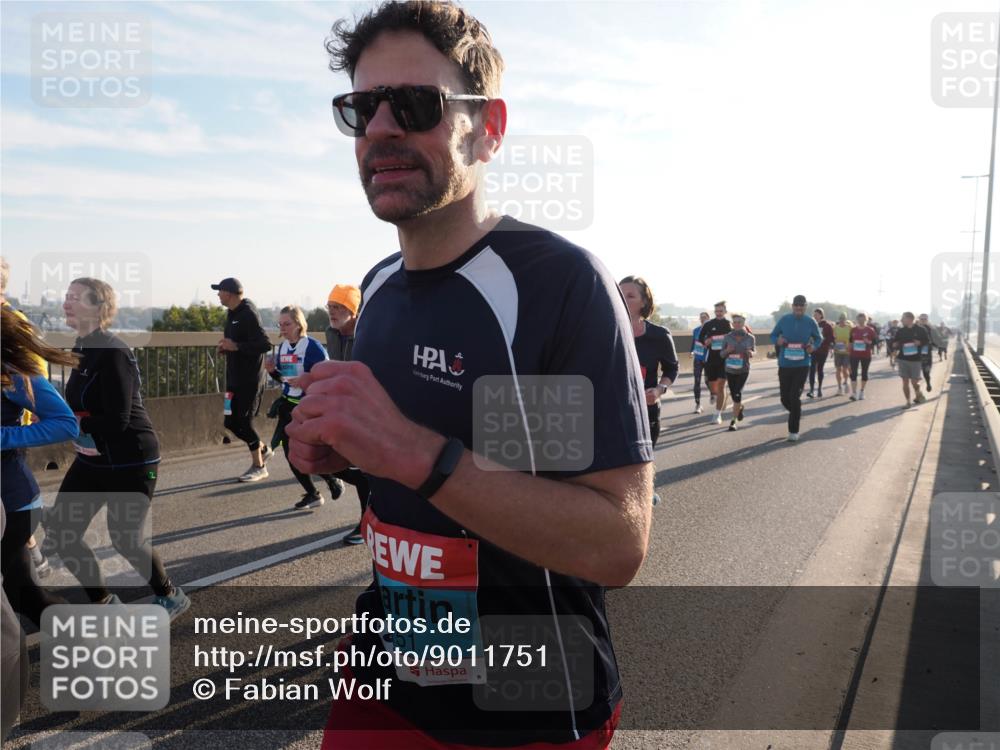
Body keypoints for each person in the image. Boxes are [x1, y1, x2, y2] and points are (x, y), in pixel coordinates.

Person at [289, 5, 653, 746]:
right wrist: (343, 450)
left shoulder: (552, 285)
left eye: (416, 105)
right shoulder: (381, 285)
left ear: (487, 128)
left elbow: (614, 542)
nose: (382, 128)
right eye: (362, 109)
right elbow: (416, 483)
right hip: (393, 671)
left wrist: (410, 451)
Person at [46, 278, 189, 618]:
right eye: (66, 297)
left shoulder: (114, 351)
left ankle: (170, 595)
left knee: (125, 538)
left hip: (131, 457)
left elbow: (118, 420)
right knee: (63, 532)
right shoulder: (81, 346)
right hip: (92, 458)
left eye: (75, 298)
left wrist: (73, 423)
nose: (66, 303)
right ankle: (105, 603)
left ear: (98, 307)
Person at [1, 308, 78, 626]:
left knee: (18, 598)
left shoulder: (11, 373)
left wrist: (4, 436)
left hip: (12, 502)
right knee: (25, 596)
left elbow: (65, 424)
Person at [1, 258, 53, 579]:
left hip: (8, 432)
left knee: (12, 505)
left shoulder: (13, 323)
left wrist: (34, 409)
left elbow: (37, 372)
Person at [266, 306, 344, 509]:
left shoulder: (313, 348)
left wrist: (307, 381)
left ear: (299, 324)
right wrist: (273, 372)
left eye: (287, 324)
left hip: (309, 407)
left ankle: (332, 480)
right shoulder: (283, 348)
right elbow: (287, 380)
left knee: (308, 452)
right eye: (280, 324)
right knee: (291, 453)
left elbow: (328, 377)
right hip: (289, 406)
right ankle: (313, 493)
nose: (282, 328)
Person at [323, 284, 371, 545]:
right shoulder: (331, 333)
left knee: (360, 466)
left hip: (367, 411)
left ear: (353, 310)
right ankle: (376, 491)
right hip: (343, 408)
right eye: (330, 306)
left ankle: (367, 521)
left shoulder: (368, 333)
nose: (332, 312)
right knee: (329, 459)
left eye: (339, 307)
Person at [213, 277, 274, 482]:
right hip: (234, 379)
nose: (218, 295)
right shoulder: (231, 313)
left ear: (229, 293)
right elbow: (237, 342)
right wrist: (227, 348)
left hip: (249, 380)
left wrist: (236, 347)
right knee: (230, 422)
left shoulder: (248, 313)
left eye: (220, 291)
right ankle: (262, 448)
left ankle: (259, 466)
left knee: (244, 422)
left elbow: (265, 344)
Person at [619, 277, 678, 447]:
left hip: (646, 410)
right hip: (612, 412)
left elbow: (671, 369)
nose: (623, 299)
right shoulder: (604, 332)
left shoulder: (659, 335)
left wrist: (659, 390)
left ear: (644, 302)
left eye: (630, 296)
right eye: (619, 295)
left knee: (643, 465)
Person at [770, 294, 823, 442]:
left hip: (802, 365)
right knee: (784, 398)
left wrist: (813, 346)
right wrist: (778, 340)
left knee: (794, 396)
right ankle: (796, 411)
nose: (799, 308)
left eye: (802, 306)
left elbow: (819, 338)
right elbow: (773, 335)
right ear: (792, 306)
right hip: (785, 364)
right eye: (796, 306)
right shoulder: (784, 319)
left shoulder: (810, 321)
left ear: (805, 307)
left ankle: (793, 430)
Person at [698, 301, 733, 424]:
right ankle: (715, 394)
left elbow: (734, 339)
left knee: (721, 385)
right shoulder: (709, 324)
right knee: (713, 386)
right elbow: (701, 337)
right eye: (717, 311)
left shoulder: (729, 325)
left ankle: (717, 415)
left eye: (721, 311)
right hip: (711, 358)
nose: (718, 313)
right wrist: (706, 341)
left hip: (724, 359)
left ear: (725, 312)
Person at [719, 312, 755, 431]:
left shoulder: (750, 338)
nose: (737, 324)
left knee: (738, 393)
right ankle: (739, 407)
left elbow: (754, 352)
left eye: (739, 322)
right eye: (734, 322)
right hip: (730, 370)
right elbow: (721, 354)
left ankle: (733, 422)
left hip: (743, 370)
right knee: (734, 395)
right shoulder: (727, 337)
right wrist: (728, 350)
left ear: (744, 323)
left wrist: (750, 353)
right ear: (732, 324)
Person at [891, 312, 930, 408]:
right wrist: (895, 345)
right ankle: (908, 402)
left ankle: (918, 393)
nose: (901, 320)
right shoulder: (900, 331)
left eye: (903, 318)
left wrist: (920, 342)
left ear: (910, 319)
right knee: (905, 381)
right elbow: (895, 342)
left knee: (914, 382)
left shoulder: (921, 330)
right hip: (903, 359)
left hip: (916, 359)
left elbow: (927, 341)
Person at [848, 312, 877, 401]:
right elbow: (850, 341)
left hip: (865, 355)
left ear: (866, 319)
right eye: (859, 319)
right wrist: (850, 348)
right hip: (854, 354)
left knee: (864, 373)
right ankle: (854, 393)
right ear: (857, 319)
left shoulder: (870, 330)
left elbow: (875, 342)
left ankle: (862, 391)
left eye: (863, 319)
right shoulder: (853, 330)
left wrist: (868, 342)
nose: (861, 320)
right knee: (853, 373)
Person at [807, 307, 834, 399]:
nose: (815, 316)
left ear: (821, 315)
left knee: (820, 369)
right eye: (814, 314)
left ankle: (819, 389)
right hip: (813, 350)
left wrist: (823, 340)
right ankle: (811, 390)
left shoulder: (827, 325)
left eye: (817, 314)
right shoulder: (811, 324)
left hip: (823, 350)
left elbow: (831, 338)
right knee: (812, 369)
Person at [917, 314, 945, 391]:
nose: (923, 320)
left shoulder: (931, 328)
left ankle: (928, 383)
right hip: (916, 352)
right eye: (921, 319)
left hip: (926, 351)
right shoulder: (914, 328)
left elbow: (936, 338)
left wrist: (938, 344)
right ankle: (918, 391)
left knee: (927, 370)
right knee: (916, 372)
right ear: (919, 319)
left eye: (925, 319)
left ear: (927, 320)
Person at [690, 311, 710, 414]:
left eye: (705, 317)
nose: (703, 319)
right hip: (697, 359)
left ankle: (713, 394)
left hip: (707, 359)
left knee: (707, 381)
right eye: (701, 317)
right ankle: (698, 404)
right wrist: (691, 352)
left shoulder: (711, 331)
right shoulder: (696, 330)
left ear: (708, 319)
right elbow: (693, 342)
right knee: (697, 381)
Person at [832, 313, 853, 395]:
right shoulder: (835, 328)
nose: (841, 320)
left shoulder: (849, 328)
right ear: (838, 319)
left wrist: (850, 346)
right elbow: (833, 339)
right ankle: (839, 387)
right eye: (840, 318)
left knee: (845, 369)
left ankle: (846, 382)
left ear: (845, 319)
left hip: (847, 352)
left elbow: (852, 339)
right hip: (838, 352)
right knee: (838, 369)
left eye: (843, 318)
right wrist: (834, 346)